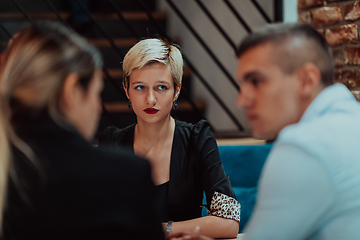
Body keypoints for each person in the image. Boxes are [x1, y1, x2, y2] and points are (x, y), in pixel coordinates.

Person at [0, 22, 164, 240]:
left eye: (161, 87)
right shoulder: (125, 174)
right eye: (96, 94)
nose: (98, 108)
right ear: (72, 90)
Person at [98, 38, 240, 238]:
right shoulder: (111, 142)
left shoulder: (197, 139)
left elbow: (229, 222)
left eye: (161, 87)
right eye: (140, 87)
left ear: (177, 90)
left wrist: (164, 230)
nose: (150, 99)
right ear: (126, 89)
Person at [235, 23, 360, 239]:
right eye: (242, 84)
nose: (241, 100)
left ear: (306, 80)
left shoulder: (303, 145)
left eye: (256, 81)